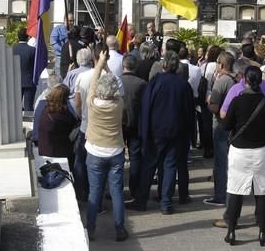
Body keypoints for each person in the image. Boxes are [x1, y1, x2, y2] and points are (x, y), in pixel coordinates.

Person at [220, 66, 265, 246]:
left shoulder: (237, 102)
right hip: (260, 151)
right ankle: (262, 232)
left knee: (235, 190)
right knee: (262, 191)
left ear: (244, 80)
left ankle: (231, 230)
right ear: (260, 80)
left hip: (239, 151)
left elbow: (225, 125)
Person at [132, 51, 195, 214]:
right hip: (176, 131)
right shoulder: (183, 84)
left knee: (149, 165)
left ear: (164, 65)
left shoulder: (155, 82)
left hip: (156, 131)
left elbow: (146, 108)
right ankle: (166, 203)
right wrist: (191, 135)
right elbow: (190, 112)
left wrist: (143, 131)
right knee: (170, 166)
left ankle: (142, 200)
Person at [83, 51, 128, 242]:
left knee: (94, 192)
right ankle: (119, 228)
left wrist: (100, 63)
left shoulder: (92, 103)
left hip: (94, 151)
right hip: (115, 151)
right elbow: (116, 84)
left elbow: (94, 82)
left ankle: (91, 229)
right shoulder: (118, 104)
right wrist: (107, 66)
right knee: (117, 192)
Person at [203, 52, 237, 207]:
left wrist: (209, 102)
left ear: (222, 65)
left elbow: (214, 106)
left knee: (220, 162)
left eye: (217, 62)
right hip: (234, 126)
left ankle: (220, 195)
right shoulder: (237, 80)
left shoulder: (222, 81)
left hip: (221, 125)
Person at [120, 54, 147, 200]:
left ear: (123, 66)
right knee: (135, 158)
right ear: (135, 66)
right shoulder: (141, 83)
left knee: (118, 158)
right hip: (136, 124)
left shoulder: (116, 81)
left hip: (119, 125)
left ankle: (117, 189)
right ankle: (134, 188)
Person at [37, 84, 77, 166]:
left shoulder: (45, 108)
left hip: (44, 148)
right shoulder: (61, 114)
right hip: (57, 151)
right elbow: (73, 124)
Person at [199, 45, 222, 159]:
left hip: (205, 96)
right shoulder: (219, 67)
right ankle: (216, 146)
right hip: (218, 95)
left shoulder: (204, 66)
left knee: (206, 124)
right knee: (216, 123)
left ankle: (207, 148)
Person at [13, 27, 36, 112]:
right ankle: (29, 124)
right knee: (28, 107)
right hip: (29, 81)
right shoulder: (33, 50)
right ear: (27, 37)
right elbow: (35, 66)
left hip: (16, 82)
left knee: (15, 107)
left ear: (18, 37)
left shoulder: (12, 49)